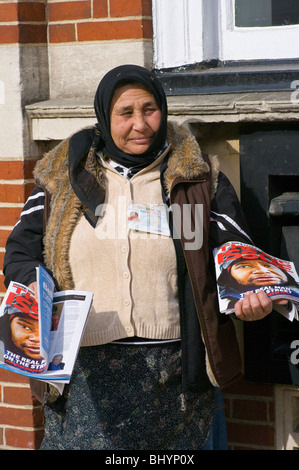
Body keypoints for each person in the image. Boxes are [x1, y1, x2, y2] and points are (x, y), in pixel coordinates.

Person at [3, 64, 278, 450]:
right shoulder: (62, 180)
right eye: (125, 113)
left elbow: (235, 254)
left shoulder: (194, 180)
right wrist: (34, 286)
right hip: (84, 378)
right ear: (104, 117)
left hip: (176, 372)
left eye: (149, 110)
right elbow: (19, 254)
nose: (141, 124)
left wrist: (252, 295)